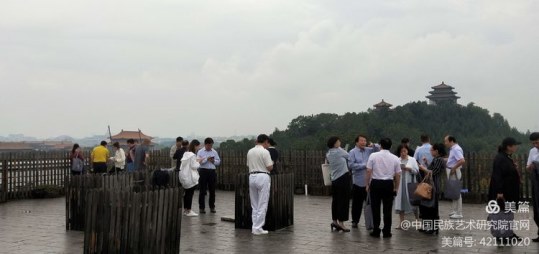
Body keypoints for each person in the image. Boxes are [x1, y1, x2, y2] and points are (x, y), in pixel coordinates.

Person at [365, 138, 401, 238]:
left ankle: (376, 230)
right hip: (388, 184)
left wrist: (367, 184)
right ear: (391, 146)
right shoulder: (395, 158)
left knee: (375, 208)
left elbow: (368, 171)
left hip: (375, 183)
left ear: (380, 145)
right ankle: (387, 231)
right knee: (387, 209)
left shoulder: (373, 155)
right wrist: (396, 188)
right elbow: (398, 175)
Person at [488, 137, 522, 240]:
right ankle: (502, 235)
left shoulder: (507, 157)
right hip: (504, 192)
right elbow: (497, 176)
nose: (516, 147)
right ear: (508, 147)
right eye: (515, 145)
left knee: (508, 213)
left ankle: (508, 233)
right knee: (502, 214)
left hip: (509, 192)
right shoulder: (500, 158)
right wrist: (499, 191)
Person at [348, 134, 379, 228]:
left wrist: (373, 145)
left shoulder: (369, 150)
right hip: (358, 181)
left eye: (365, 141)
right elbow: (351, 165)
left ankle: (370, 222)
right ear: (356, 142)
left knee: (371, 203)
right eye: (361, 141)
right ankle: (355, 221)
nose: (363, 142)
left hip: (369, 182)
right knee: (356, 203)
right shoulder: (352, 152)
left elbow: (379, 149)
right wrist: (365, 165)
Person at [247, 134, 274, 235]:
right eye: (268, 143)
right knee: (263, 203)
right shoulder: (265, 151)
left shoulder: (250, 151)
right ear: (265, 141)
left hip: (252, 176)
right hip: (263, 176)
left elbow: (248, 165)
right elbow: (270, 167)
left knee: (254, 204)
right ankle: (258, 228)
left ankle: (255, 226)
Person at [418, 143, 446, 235]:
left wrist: (423, 168)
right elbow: (432, 169)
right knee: (428, 206)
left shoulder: (438, 159)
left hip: (433, 186)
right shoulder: (437, 159)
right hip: (432, 185)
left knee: (432, 208)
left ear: (436, 151)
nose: (430, 152)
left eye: (432, 150)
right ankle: (429, 227)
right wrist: (426, 164)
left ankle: (433, 228)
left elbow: (434, 172)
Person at [326, 136, 351, 232]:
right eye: (338, 141)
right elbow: (349, 156)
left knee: (335, 201)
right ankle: (341, 223)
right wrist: (341, 148)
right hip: (343, 178)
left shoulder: (329, 153)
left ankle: (334, 221)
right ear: (335, 143)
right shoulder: (338, 151)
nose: (340, 142)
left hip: (334, 179)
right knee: (343, 201)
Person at [394, 144, 419, 229]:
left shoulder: (412, 160)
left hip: (410, 184)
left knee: (413, 203)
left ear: (407, 151)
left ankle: (417, 221)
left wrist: (410, 169)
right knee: (401, 203)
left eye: (404, 151)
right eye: (401, 151)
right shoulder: (397, 160)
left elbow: (417, 171)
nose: (403, 153)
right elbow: (394, 172)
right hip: (400, 184)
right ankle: (401, 222)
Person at [197, 137, 221, 214]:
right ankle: (202, 208)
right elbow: (198, 162)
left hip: (212, 172)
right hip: (203, 171)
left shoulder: (214, 152)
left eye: (211, 145)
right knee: (202, 190)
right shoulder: (200, 152)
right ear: (205, 144)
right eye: (208, 145)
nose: (210, 147)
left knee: (212, 190)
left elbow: (218, 162)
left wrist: (213, 161)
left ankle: (212, 206)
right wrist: (206, 159)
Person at [180, 139, 203, 217]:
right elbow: (194, 166)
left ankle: (185, 210)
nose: (198, 148)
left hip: (185, 177)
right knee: (190, 194)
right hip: (190, 177)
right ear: (195, 146)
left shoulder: (186, 154)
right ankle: (189, 210)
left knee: (186, 194)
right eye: (198, 146)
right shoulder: (193, 155)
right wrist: (199, 162)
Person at [444, 135, 465, 219]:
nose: (445, 143)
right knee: (454, 190)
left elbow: (462, 160)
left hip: (454, 172)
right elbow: (452, 159)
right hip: (452, 171)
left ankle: (459, 212)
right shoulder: (453, 149)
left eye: (446, 141)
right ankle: (455, 210)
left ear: (451, 141)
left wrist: (454, 168)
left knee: (457, 191)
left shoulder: (456, 149)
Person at [526, 132, 539, 242]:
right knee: (537, 207)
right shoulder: (532, 151)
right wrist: (531, 166)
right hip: (536, 182)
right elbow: (528, 167)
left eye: (537, 142)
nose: (535, 145)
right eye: (533, 143)